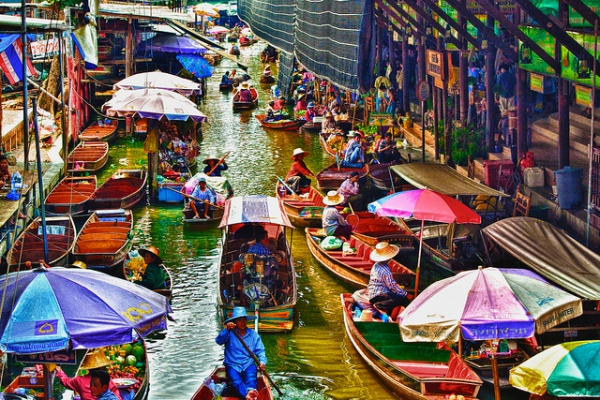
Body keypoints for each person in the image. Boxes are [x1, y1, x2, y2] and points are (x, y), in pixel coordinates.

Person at [215, 307, 267, 400]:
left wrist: (262, 362)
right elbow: (219, 340)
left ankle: (251, 390)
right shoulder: (229, 333)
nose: (242, 322)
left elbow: (261, 351)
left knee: (251, 377)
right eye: (239, 320)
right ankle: (248, 395)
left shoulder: (254, 335)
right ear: (235, 321)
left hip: (248, 364)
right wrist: (226, 329)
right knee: (236, 380)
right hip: (232, 364)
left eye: (244, 319)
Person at [56, 349, 122, 400]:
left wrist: (60, 372)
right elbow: (117, 396)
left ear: (88, 368)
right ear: (101, 367)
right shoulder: (106, 380)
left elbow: (66, 382)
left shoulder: (79, 381)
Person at [368, 242, 409, 321]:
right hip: (378, 297)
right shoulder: (386, 270)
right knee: (401, 298)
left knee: (395, 296)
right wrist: (406, 294)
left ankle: (390, 314)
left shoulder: (375, 265)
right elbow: (392, 286)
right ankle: (379, 306)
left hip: (372, 294)